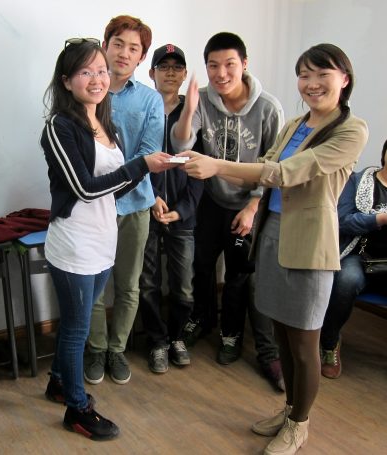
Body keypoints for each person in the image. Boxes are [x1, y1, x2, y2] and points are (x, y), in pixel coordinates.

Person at [181, 43, 368, 455]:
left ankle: (299, 425)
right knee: (282, 334)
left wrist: (217, 165)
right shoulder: (296, 123)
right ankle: (289, 411)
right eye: (304, 75)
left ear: (344, 79)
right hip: (272, 234)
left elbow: (285, 172)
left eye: (322, 74)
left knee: (304, 344)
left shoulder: (352, 130)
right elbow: (264, 167)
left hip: (310, 243)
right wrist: (210, 169)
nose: (312, 83)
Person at [40, 38, 173, 440]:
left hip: (102, 239)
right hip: (74, 243)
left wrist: (144, 170)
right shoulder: (59, 127)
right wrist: (140, 164)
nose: (97, 78)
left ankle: (58, 382)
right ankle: (77, 409)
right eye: (86, 72)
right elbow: (84, 188)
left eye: (100, 70)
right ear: (67, 81)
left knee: (75, 323)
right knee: (77, 329)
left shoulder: (103, 121)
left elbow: (112, 189)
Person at [171, 32, 285, 390]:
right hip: (211, 200)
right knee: (202, 266)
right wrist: (189, 109)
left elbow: (275, 165)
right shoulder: (203, 99)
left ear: (245, 64)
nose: (221, 74)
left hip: (249, 203)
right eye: (213, 66)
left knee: (238, 274)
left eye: (229, 64)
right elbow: (181, 143)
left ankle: (232, 334)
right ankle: (203, 319)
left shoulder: (268, 108)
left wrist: (253, 206)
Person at [85, 14, 165, 386]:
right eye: (118, 44)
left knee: (129, 284)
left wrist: (111, 188)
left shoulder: (150, 99)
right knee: (94, 285)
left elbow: (148, 155)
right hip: (91, 207)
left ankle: (116, 350)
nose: (124, 53)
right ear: (105, 46)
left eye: (133, 48)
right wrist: (98, 192)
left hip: (135, 205)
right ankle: (96, 349)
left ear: (141, 57)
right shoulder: (87, 90)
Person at [139, 43, 204, 373]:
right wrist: (150, 197)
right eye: (163, 67)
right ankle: (157, 341)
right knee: (148, 282)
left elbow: (200, 166)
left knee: (183, 284)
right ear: (152, 73)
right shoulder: (143, 110)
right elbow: (133, 160)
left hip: (182, 215)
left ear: (184, 74)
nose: (170, 73)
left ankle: (177, 337)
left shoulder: (194, 114)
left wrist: (183, 209)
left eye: (177, 67)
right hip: (146, 209)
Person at [320, 139, 387, 379]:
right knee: (346, 280)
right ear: (384, 153)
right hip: (358, 255)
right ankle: (329, 343)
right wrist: (379, 219)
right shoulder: (358, 182)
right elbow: (342, 221)